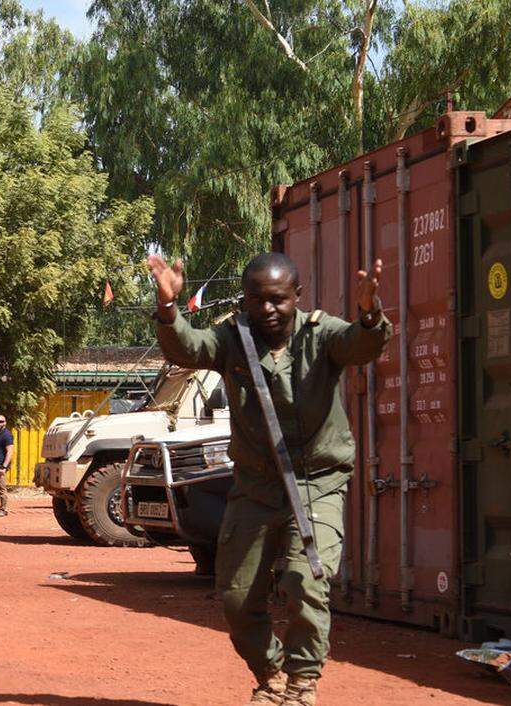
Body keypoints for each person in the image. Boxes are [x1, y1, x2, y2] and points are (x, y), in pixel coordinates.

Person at [147, 252, 389, 706]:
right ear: (245, 300)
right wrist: (167, 308)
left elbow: (363, 345)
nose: (267, 309)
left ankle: (301, 685)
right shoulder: (232, 337)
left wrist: (371, 314)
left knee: (304, 580)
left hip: (317, 481)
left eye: (278, 299)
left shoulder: (322, 334)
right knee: (237, 597)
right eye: (256, 300)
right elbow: (187, 348)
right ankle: (271, 675)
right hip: (256, 487)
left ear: (296, 296)